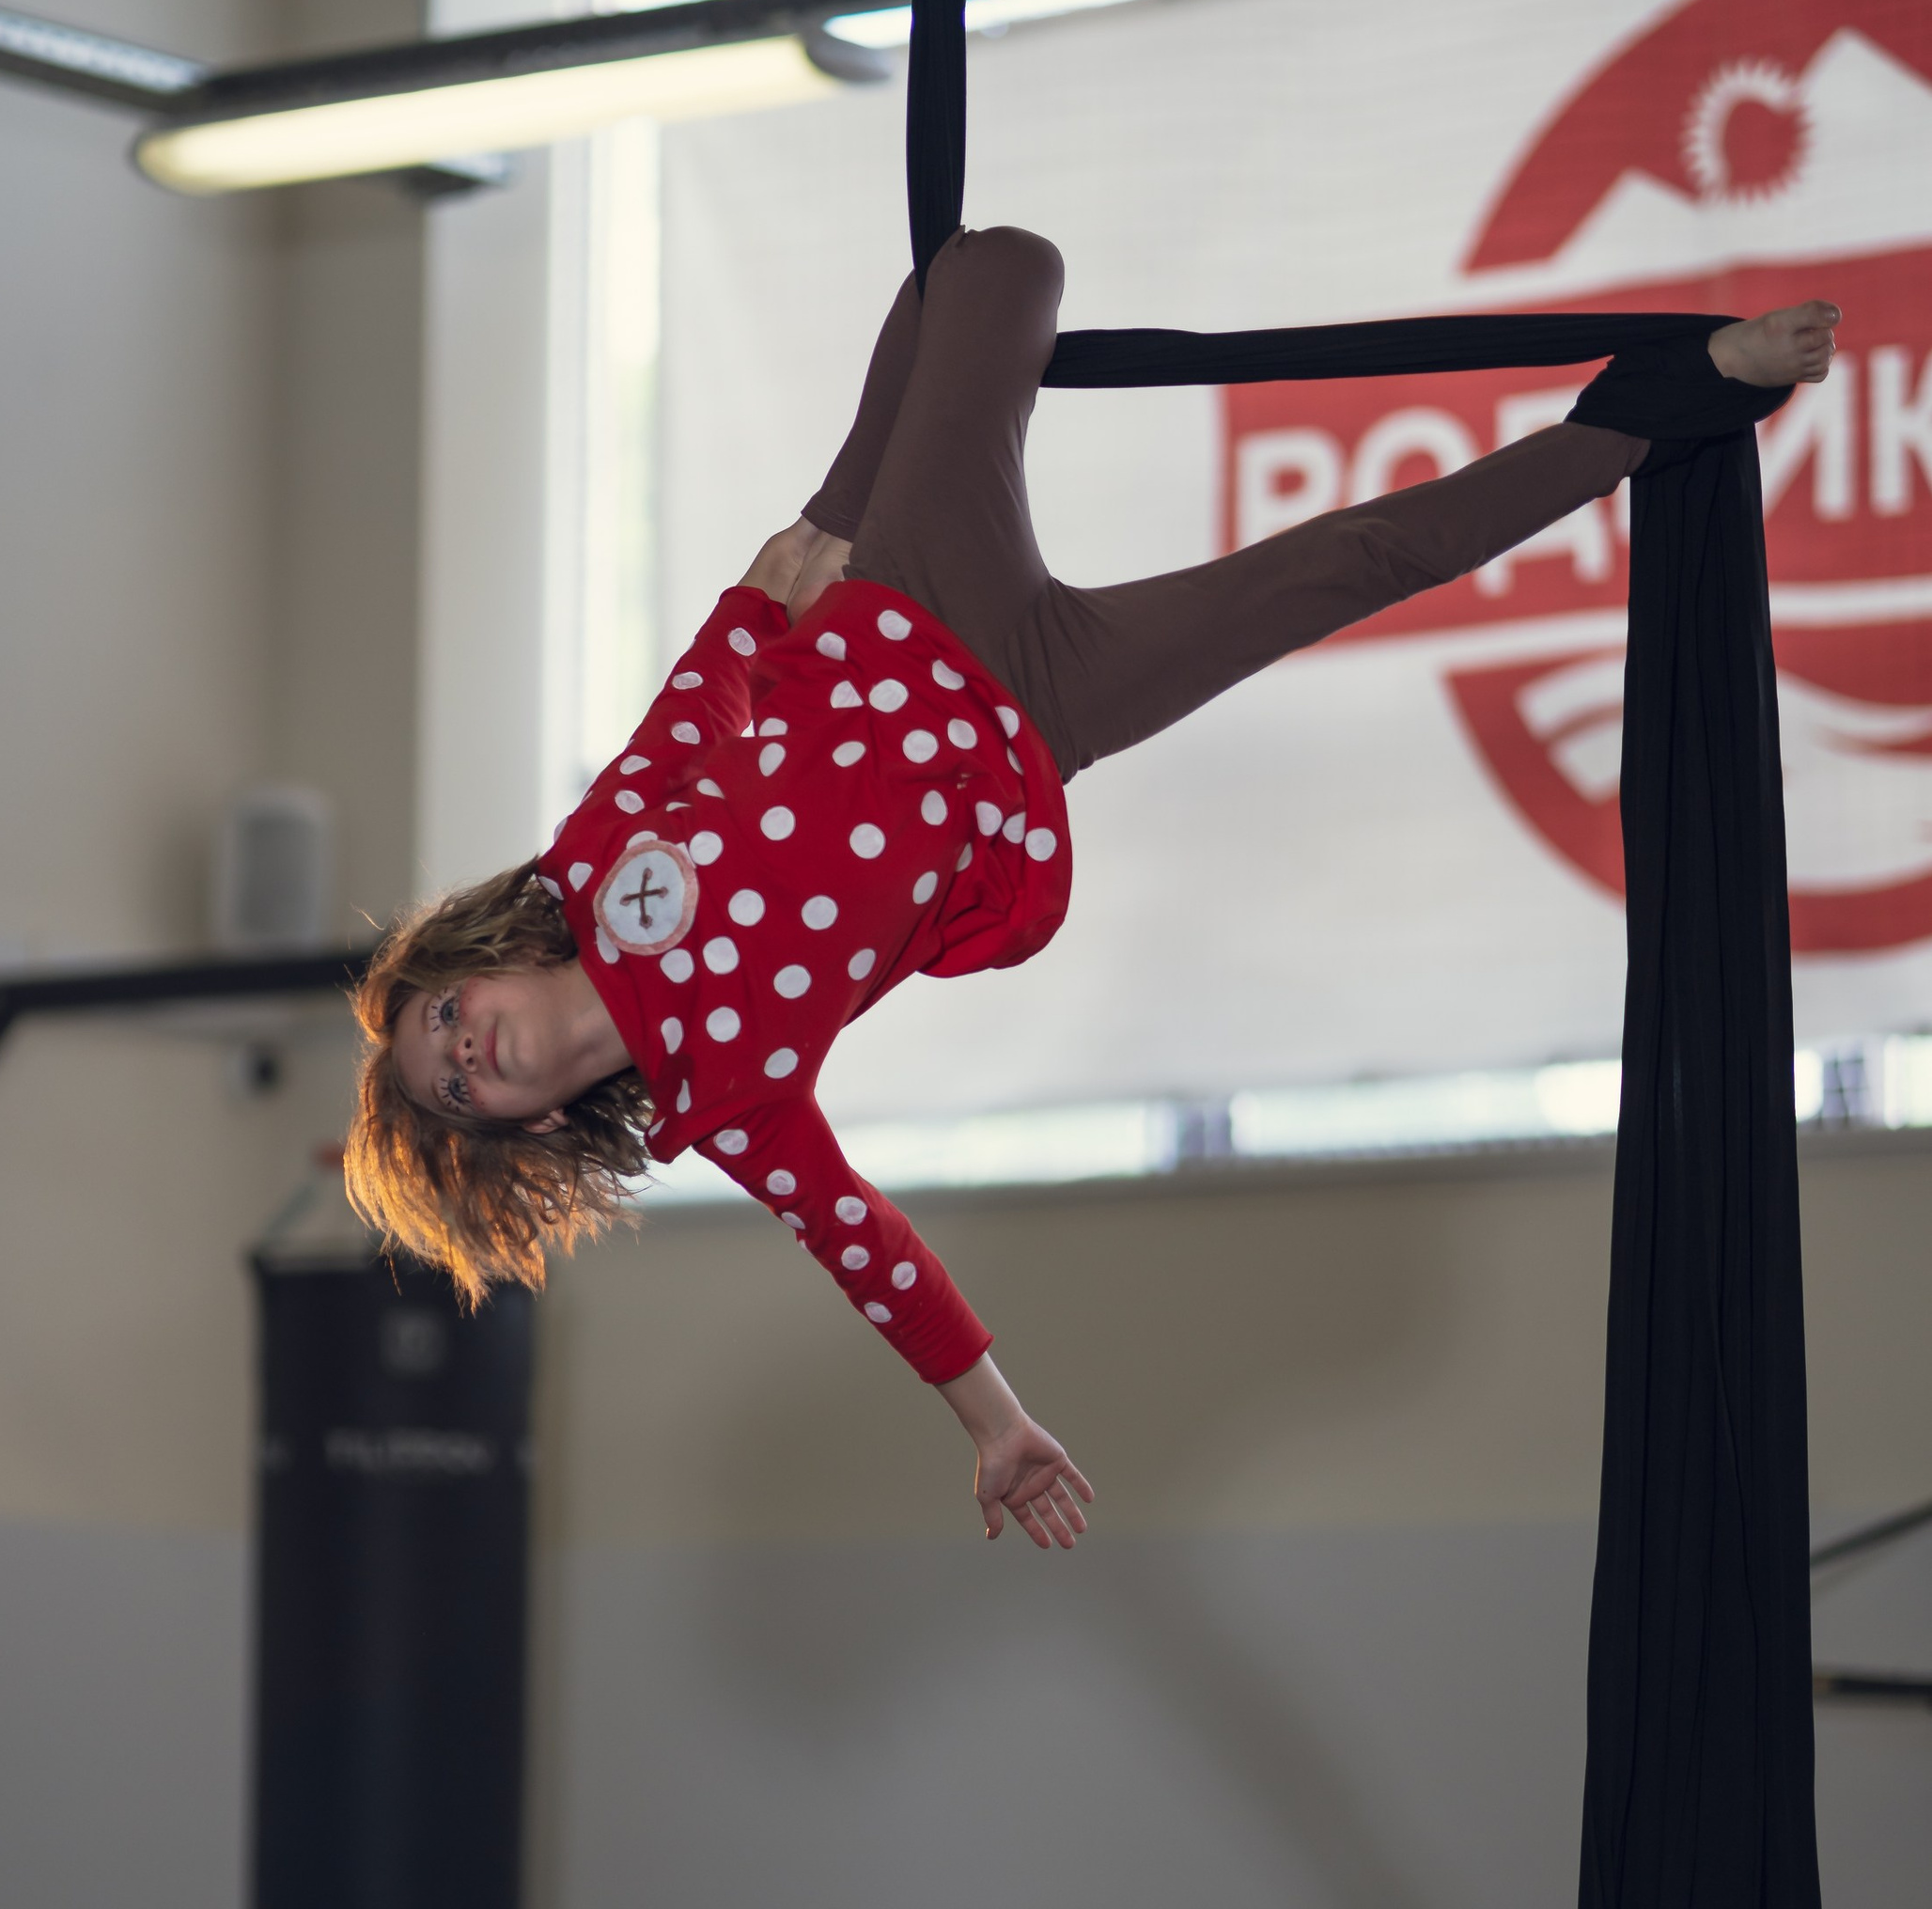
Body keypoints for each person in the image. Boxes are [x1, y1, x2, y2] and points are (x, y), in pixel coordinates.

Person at [346, 230, 1838, 1550]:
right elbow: (871, 1249)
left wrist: (768, 589)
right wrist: (996, 1421)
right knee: (1349, 562)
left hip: (902, 604)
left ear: (478, 966)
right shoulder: (728, 1097)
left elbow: (685, 720)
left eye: (447, 1022)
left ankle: (882, 424)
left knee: (996, 270)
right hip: (1037, 716)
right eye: (459, 1083)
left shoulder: (597, 870)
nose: (467, 1050)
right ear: (528, 1120)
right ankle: (1671, 403)